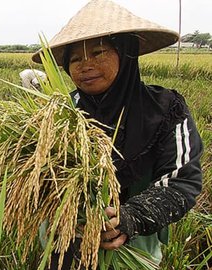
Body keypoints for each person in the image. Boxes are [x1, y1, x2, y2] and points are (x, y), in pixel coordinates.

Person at [31, 0, 203, 266]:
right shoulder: (61, 112)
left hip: (133, 250)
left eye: (99, 52)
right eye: (75, 58)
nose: (85, 65)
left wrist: (132, 217)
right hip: (64, 245)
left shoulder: (166, 109)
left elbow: (182, 181)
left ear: (126, 54)